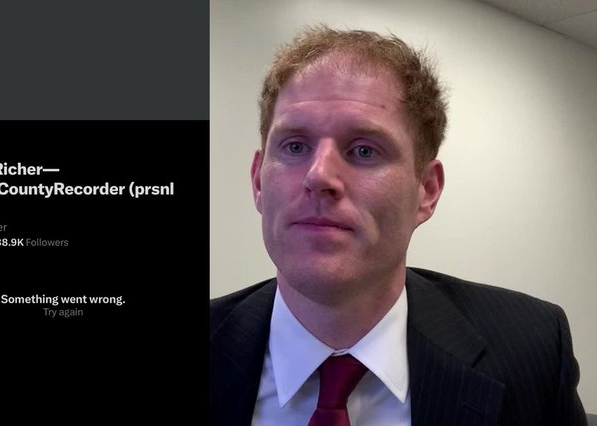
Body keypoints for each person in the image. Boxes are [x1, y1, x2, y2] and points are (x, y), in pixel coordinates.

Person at [209, 25, 587, 426]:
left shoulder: (530, 348)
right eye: (295, 146)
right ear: (258, 182)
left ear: (426, 190)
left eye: (363, 150)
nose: (319, 176)